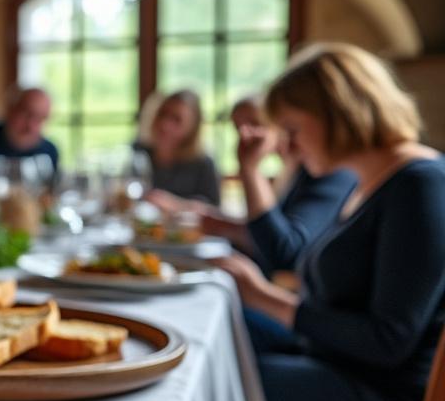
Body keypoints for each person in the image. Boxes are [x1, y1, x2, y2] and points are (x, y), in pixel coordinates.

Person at [212, 43, 445, 401]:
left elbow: (388, 340)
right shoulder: (368, 181)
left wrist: (265, 297)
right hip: (329, 361)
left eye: (292, 129)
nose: (287, 147)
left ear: (336, 113)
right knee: (207, 341)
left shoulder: (421, 185)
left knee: (200, 388)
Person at [150, 96, 357, 274]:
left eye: (255, 123)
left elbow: (283, 251)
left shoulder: (327, 173)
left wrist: (249, 169)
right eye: (238, 127)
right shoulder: (294, 170)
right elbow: (266, 232)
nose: (245, 135)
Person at [137, 89, 221, 205]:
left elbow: (214, 211)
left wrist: (175, 205)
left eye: (177, 119)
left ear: (192, 128)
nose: (165, 125)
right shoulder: (137, 152)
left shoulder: (203, 164)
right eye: (162, 114)